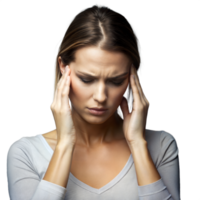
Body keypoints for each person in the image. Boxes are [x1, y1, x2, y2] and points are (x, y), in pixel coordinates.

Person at [5, 2, 182, 200]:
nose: (100, 96)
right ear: (63, 67)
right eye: (87, 79)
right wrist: (65, 144)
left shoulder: (161, 146)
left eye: (116, 81)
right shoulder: (26, 153)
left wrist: (138, 144)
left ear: (132, 77)